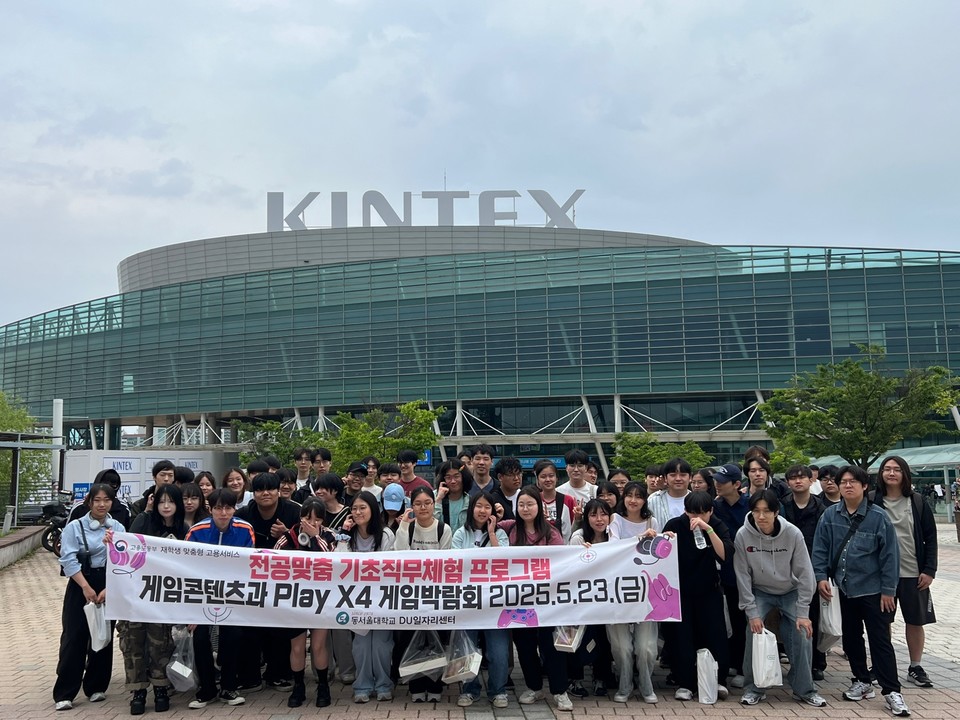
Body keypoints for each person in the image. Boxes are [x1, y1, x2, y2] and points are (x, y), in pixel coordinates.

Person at [812, 466, 909, 717]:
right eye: (843, 482)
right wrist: (820, 576)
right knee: (852, 638)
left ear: (865, 486)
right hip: (844, 588)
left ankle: (892, 691)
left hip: (874, 590)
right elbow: (820, 548)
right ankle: (861, 681)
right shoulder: (830, 515)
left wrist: (889, 591)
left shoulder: (879, 517)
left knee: (880, 641)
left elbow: (890, 557)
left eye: (853, 482)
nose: (847, 486)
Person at [734, 490, 826, 707]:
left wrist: (803, 613)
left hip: (790, 590)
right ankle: (753, 688)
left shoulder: (792, 534)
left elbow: (805, 574)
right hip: (760, 590)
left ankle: (804, 689)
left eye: (766, 511)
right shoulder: (742, 535)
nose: (761, 516)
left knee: (803, 633)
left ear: (776, 512)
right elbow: (742, 576)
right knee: (753, 630)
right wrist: (752, 612)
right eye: (756, 511)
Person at [499, 487, 572, 712]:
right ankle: (534, 687)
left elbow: (562, 562)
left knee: (551, 647)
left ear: (539, 506)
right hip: (519, 601)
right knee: (525, 646)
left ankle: (560, 691)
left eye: (530, 504)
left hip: (547, 601)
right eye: (521, 504)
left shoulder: (551, 533)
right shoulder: (509, 528)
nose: (525, 508)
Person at [871, 455, 938, 689]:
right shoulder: (871, 501)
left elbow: (930, 538)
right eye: (886, 469)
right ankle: (882, 665)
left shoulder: (917, 501)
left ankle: (915, 666)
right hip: (881, 575)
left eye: (896, 469)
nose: (891, 473)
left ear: (904, 473)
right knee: (882, 621)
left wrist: (929, 570)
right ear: (880, 474)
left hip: (913, 572)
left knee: (915, 620)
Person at [120, 484, 189, 714]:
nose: (166, 506)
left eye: (170, 502)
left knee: (161, 642)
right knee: (133, 641)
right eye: (161, 502)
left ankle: (160, 688)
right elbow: (125, 550)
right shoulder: (143, 521)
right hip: (137, 594)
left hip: (164, 598)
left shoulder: (184, 529)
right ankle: (138, 691)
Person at [185, 488, 255, 707]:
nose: (223, 513)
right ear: (210, 509)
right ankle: (206, 689)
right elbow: (183, 566)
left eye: (228, 508)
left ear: (235, 508)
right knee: (200, 637)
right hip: (201, 592)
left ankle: (229, 687)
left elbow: (250, 563)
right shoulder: (197, 531)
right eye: (218, 508)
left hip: (232, 591)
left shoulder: (245, 529)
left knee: (232, 636)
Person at [661, 491, 731, 702]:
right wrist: (666, 540)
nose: (697, 518)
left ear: (711, 511)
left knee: (715, 635)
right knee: (682, 637)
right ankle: (685, 683)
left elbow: (725, 554)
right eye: (692, 514)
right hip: (680, 591)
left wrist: (708, 529)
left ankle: (718, 680)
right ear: (685, 511)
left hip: (709, 589)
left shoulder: (717, 525)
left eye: (702, 513)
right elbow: (659, 553)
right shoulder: (675, 524)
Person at [53, 483, 116, 712]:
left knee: (103, 634)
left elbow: (123, 559)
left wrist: (109, 587)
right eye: (97, 500)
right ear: (89, 501)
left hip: (108, 584)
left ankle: (97, 686)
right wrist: (86, 587)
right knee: (75, 635)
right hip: (81, 581)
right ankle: (65, 692)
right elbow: (68, 560)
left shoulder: (116, 527)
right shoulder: (75, 527)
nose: (102, 504)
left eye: (106, 500)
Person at [236, 473, 300, 692]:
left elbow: (309, 541)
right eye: (260, 489)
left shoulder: (293, 511)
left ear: (278, 490)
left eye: (270, 489)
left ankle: (279, 674)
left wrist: (288, 534)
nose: (265, 493)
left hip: (283, 580)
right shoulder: (244, 514)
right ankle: (250, 676)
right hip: (251, 580)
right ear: (253, 494)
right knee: (250, 630)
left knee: (280, 628)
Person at [273, 498, 337, 708]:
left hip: (321, 599)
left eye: (317, 519)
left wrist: (315, 537)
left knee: (318, 645)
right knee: (298, 646)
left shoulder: (329, 536)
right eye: (307, 518)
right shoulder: (286, 537)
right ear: (300, 517)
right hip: (295, 599)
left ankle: (323, 687)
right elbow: (272, 563)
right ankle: (298, 686)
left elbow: (332, 560)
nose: (312, 522)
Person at [451, 492, 510, 708]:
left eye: (487, 507)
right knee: (467, 648)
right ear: (471, 508)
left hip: (495, 602)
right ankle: (469, 689)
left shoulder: (501, 534)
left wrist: (492, 533)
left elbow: (504, 561)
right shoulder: (460, 533)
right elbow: (454, 563)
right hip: (467, 601)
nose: (482, 510)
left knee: (499, 652)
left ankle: (498, 690)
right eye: (478, 506)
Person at [337, 491, 397, 703]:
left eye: (363, 507)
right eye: (354, 508)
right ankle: (361, 685)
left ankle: (383, 684)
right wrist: (343, 535)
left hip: (382, 599)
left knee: (382, 643)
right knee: (360, 645)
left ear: (373, 509)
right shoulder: (347, 535)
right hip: (356, 599)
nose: (358, 512)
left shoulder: (387, 535)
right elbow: (338, 563)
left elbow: (389, 567)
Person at [394, 487, 452, 702]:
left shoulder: (443, 529)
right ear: (412, 506)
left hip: (435, 593)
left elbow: (445, 562)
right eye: (418, 503)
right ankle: (416, 686)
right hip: (411, 594)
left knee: (435, 640)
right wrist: (403, 526)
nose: (423, 507)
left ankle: (435, 686)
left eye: (427, 502)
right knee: (413, 642)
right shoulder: (407, 528)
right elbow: (399, 556)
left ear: (433, 504)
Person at [780, 464, 827, 680]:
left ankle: (817, 662)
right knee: (788, 617)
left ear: (811, 480)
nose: (798, 481)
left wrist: (821, 574)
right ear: (788, 482)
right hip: (785, 569)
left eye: (802, 477)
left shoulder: (822, 509)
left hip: (813, 568)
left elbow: (826, 543)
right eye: (793, 478)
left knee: (812, 615)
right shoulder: (781, 507)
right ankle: (794, 660)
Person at [567, 500, 616, 700]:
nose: (599, 519)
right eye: (594, 515)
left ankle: (601, 678)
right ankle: (575, 679)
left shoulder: (614, 536)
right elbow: (570, 567)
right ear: (586, 518)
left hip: (607, 597)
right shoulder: (578, 538)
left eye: (603, 514)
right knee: (579, 637)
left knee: (603, 637)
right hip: (582, 598)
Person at [711, 463, 750, 688]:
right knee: (733, 619)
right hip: (726, 572)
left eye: (722, 482)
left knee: (748, 620)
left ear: (737, 484)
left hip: (750, 571)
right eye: (716, 480)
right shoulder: (715, 507)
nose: (717, 484)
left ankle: (748, 666)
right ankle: (735, 662)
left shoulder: (750, 506)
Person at [534, 459, 576, 542]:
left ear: (556, 478)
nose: (548, 479)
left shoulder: (568, 500)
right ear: (538, 480)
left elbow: (574, 527)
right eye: (543, 476)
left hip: (565, 550)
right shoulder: (533, 500)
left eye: (551, 476)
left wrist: (578, 518)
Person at [648, 458, 691, 527]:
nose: (678, 479)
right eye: (673, 475)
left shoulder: (698, 500)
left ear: (690, 477)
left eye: (683, 475)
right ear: (665, 478)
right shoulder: (653, 500)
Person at [435, 457, 474, 528]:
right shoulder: (432, 497)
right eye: (448, 477)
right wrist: (438, 500)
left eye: (456, 476)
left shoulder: (470, 501)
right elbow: (427, 523)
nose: (453, 481)